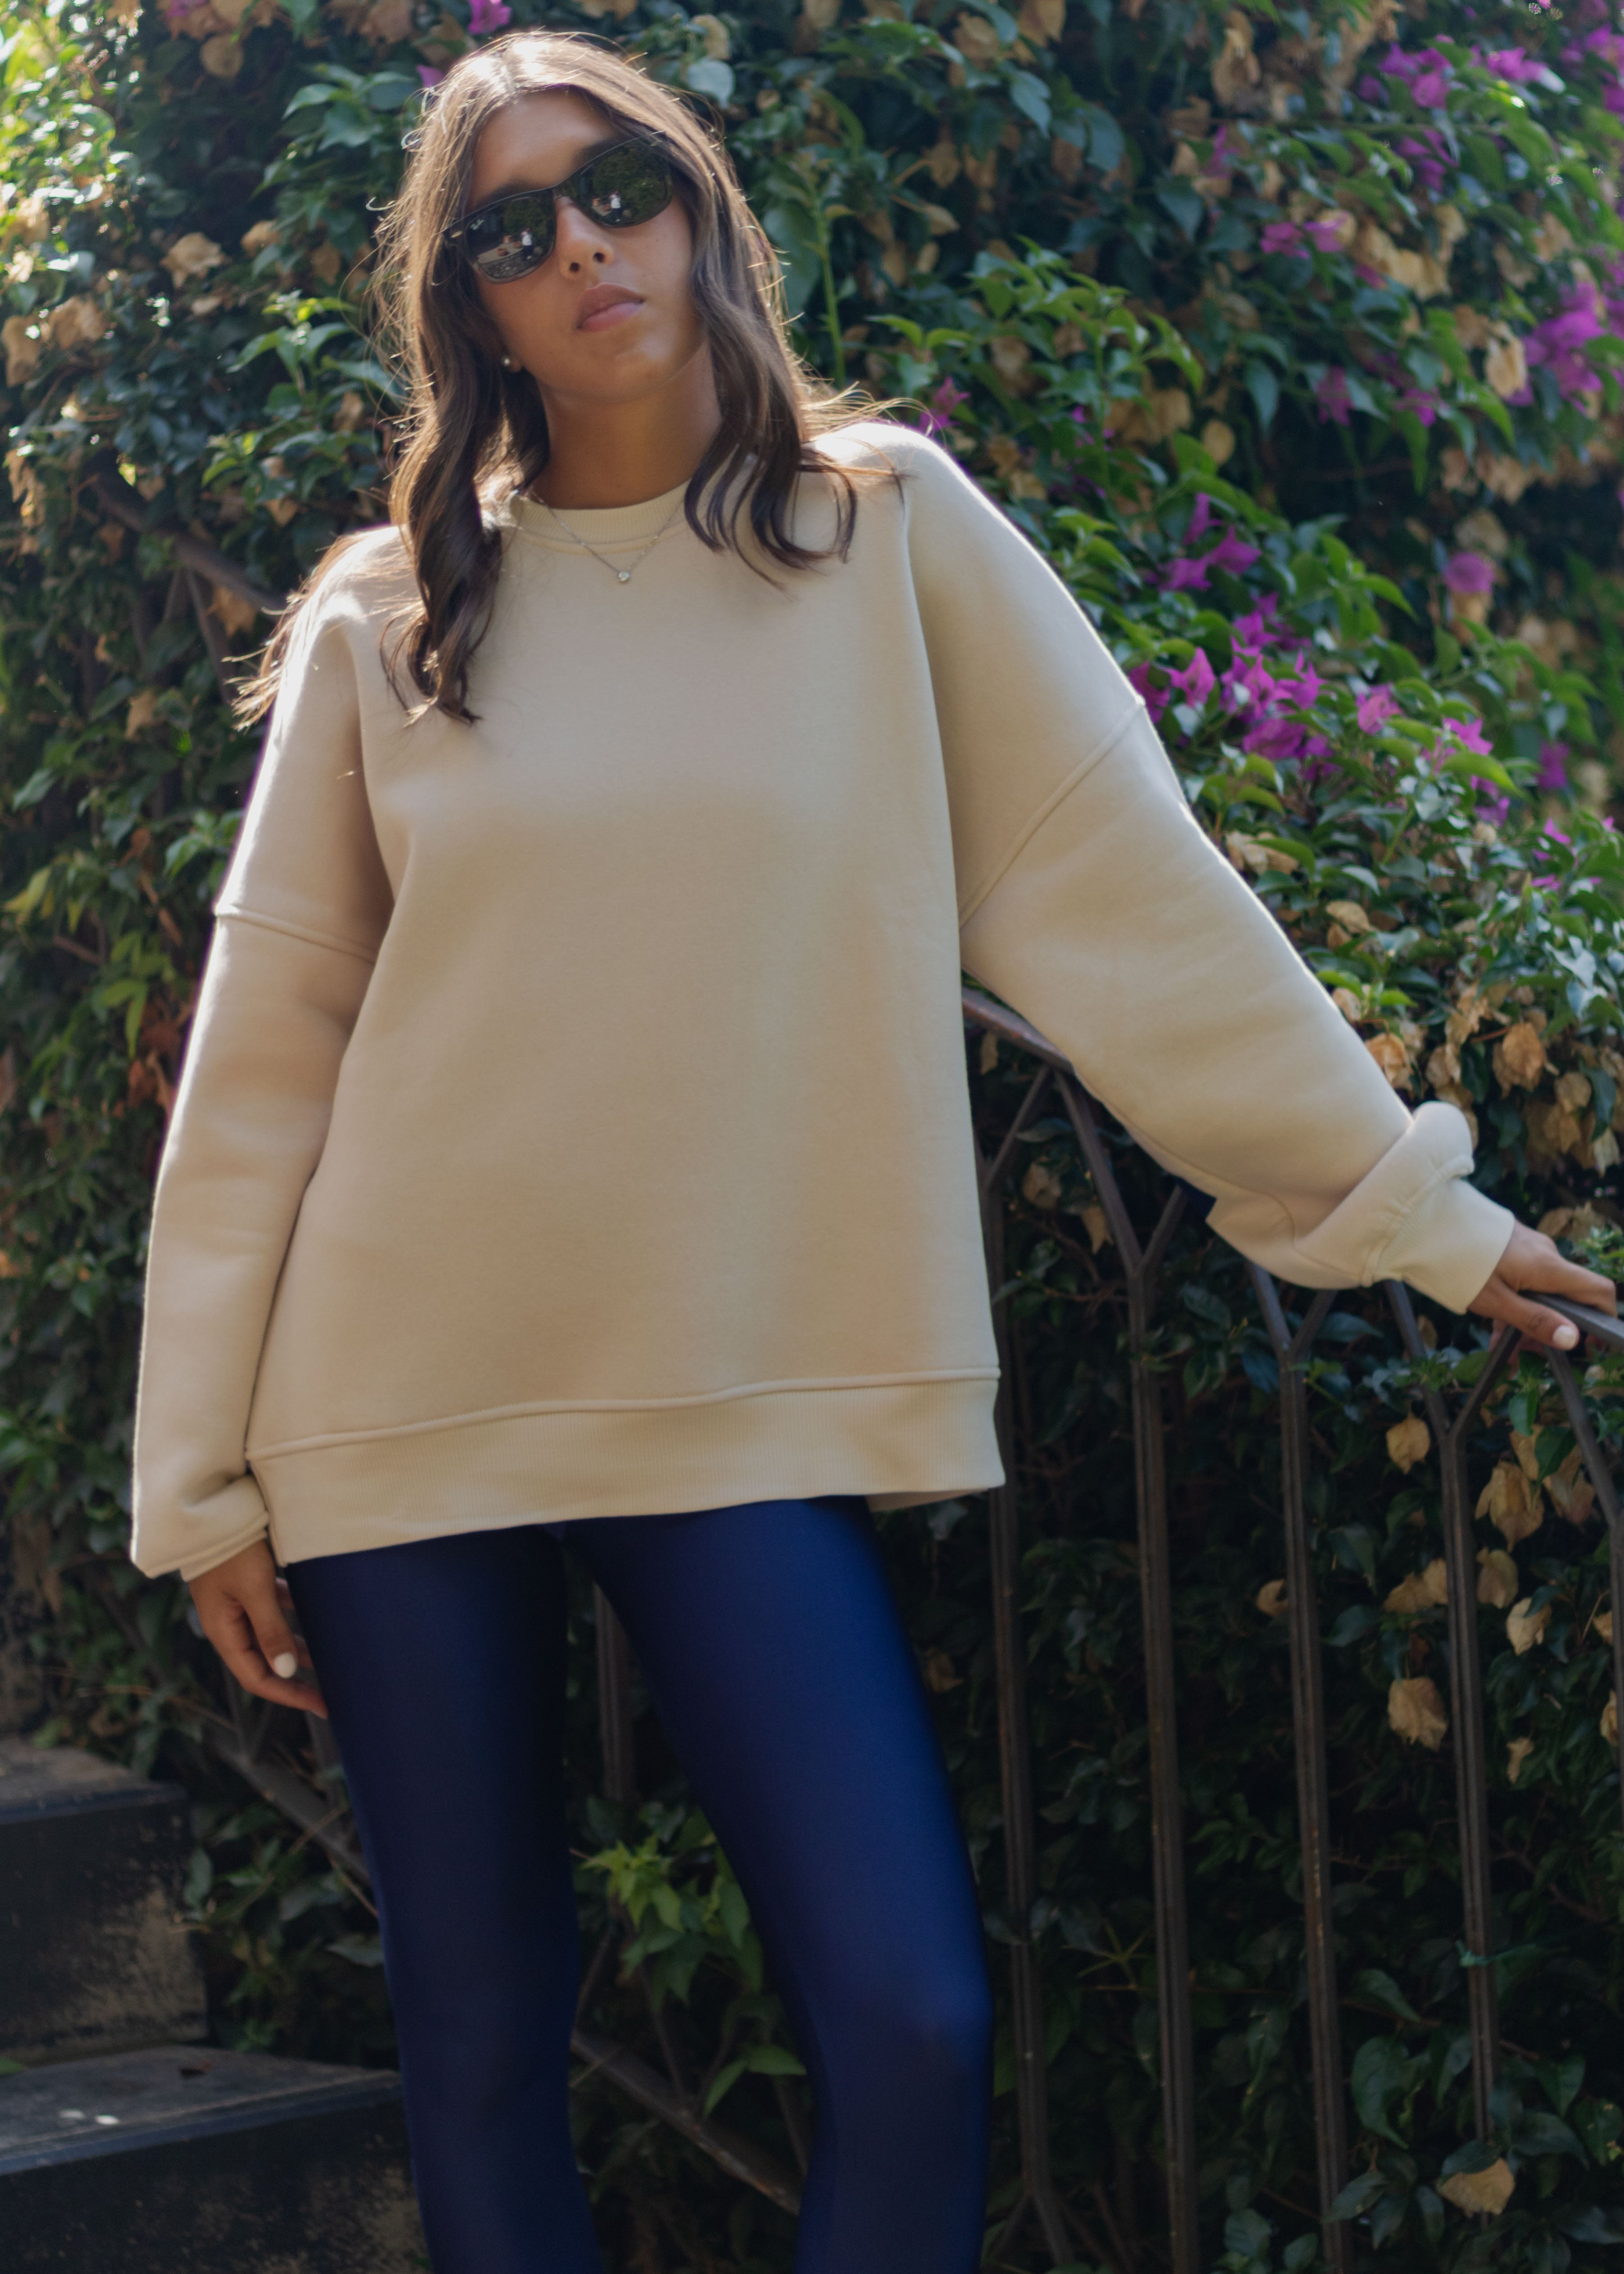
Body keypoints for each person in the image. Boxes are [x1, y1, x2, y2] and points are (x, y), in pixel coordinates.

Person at [127, 28, 1614, 2274]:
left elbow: (1127, 902)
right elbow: (267, 1062)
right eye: (511, 230)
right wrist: (202, 1484)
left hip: (739, 1378)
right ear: (474, 310)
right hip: (396, 1397)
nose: (580, 246)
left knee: (915, 2020)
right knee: (482, 2034)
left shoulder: (884, 527)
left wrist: (1412, 1210)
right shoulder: (389, 615)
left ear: (696, 203)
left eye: (615, 184)